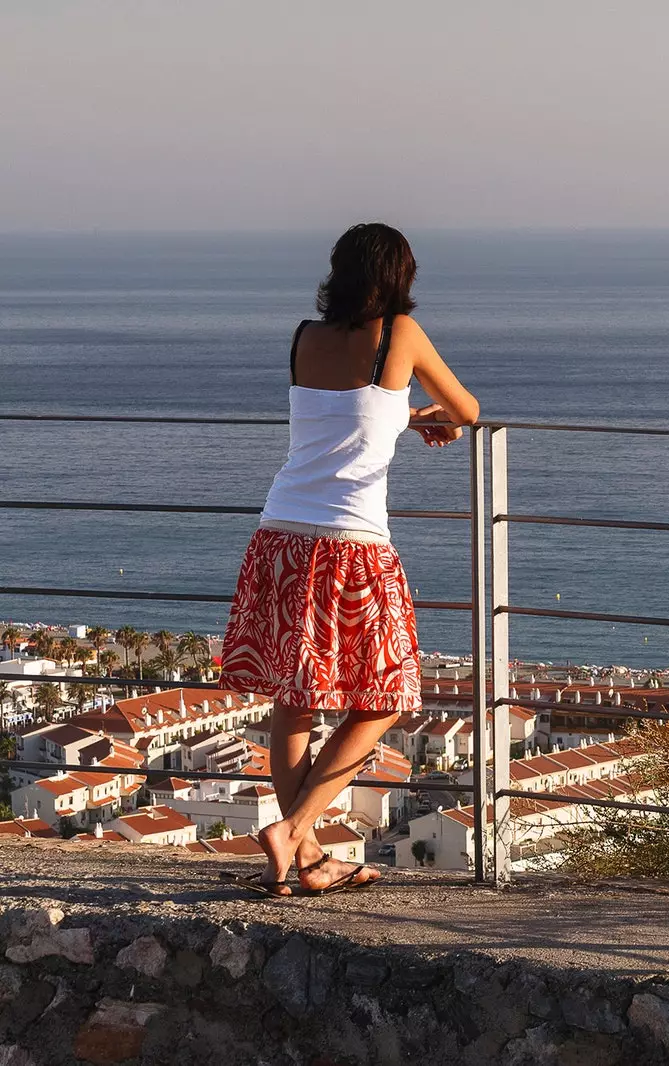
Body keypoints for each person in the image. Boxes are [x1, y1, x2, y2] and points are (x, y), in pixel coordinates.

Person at [218, 222, 479, 897]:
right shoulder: (399, 335)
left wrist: (399, 416)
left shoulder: (305, 338)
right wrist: (420, 414)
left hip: (279, 535)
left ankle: (303, 864)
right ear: (401, 277)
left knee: (293, 701)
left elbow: (340, 417)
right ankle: (295, 828)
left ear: (337, 274)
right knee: (387, 698)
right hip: (351, 547)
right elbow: (468, 410)